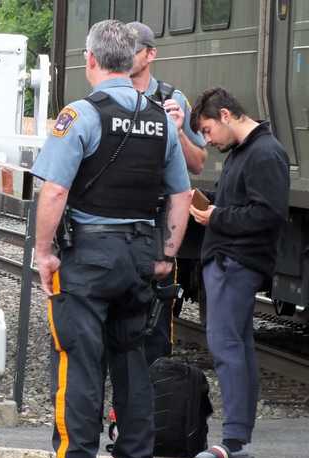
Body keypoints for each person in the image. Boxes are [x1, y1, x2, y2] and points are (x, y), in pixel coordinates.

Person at [32, 20, 192, 458]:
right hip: (141, 258)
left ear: (91, 60)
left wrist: (44, 253)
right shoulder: (161, 119)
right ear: (133, 59)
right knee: (133, 364)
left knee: (79, 366)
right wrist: (166, 253)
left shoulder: (79, 115)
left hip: (87, 258)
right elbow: (181, 194)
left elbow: (55, 192)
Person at [189, 87, 289, 458]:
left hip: (238, 262)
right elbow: (242, 204)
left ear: (227, 116)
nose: (208, 139)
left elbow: (269, 214)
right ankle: (238, 436)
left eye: (209, 129)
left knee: (226, 346)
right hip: (228, 260)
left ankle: (233, 441)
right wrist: (212, 206)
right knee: (236, 347)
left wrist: (217, 217)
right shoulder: (243, 153)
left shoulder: (265, 153)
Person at [128, 21, 208, 365]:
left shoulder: (173, 99)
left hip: (157, 217)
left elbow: (198, 164)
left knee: (156, 318)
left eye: (132, 48)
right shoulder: (104, 96)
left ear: (150, 54)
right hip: (116, 214)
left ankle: (151, 392)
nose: (124, 55)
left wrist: (178, 132)